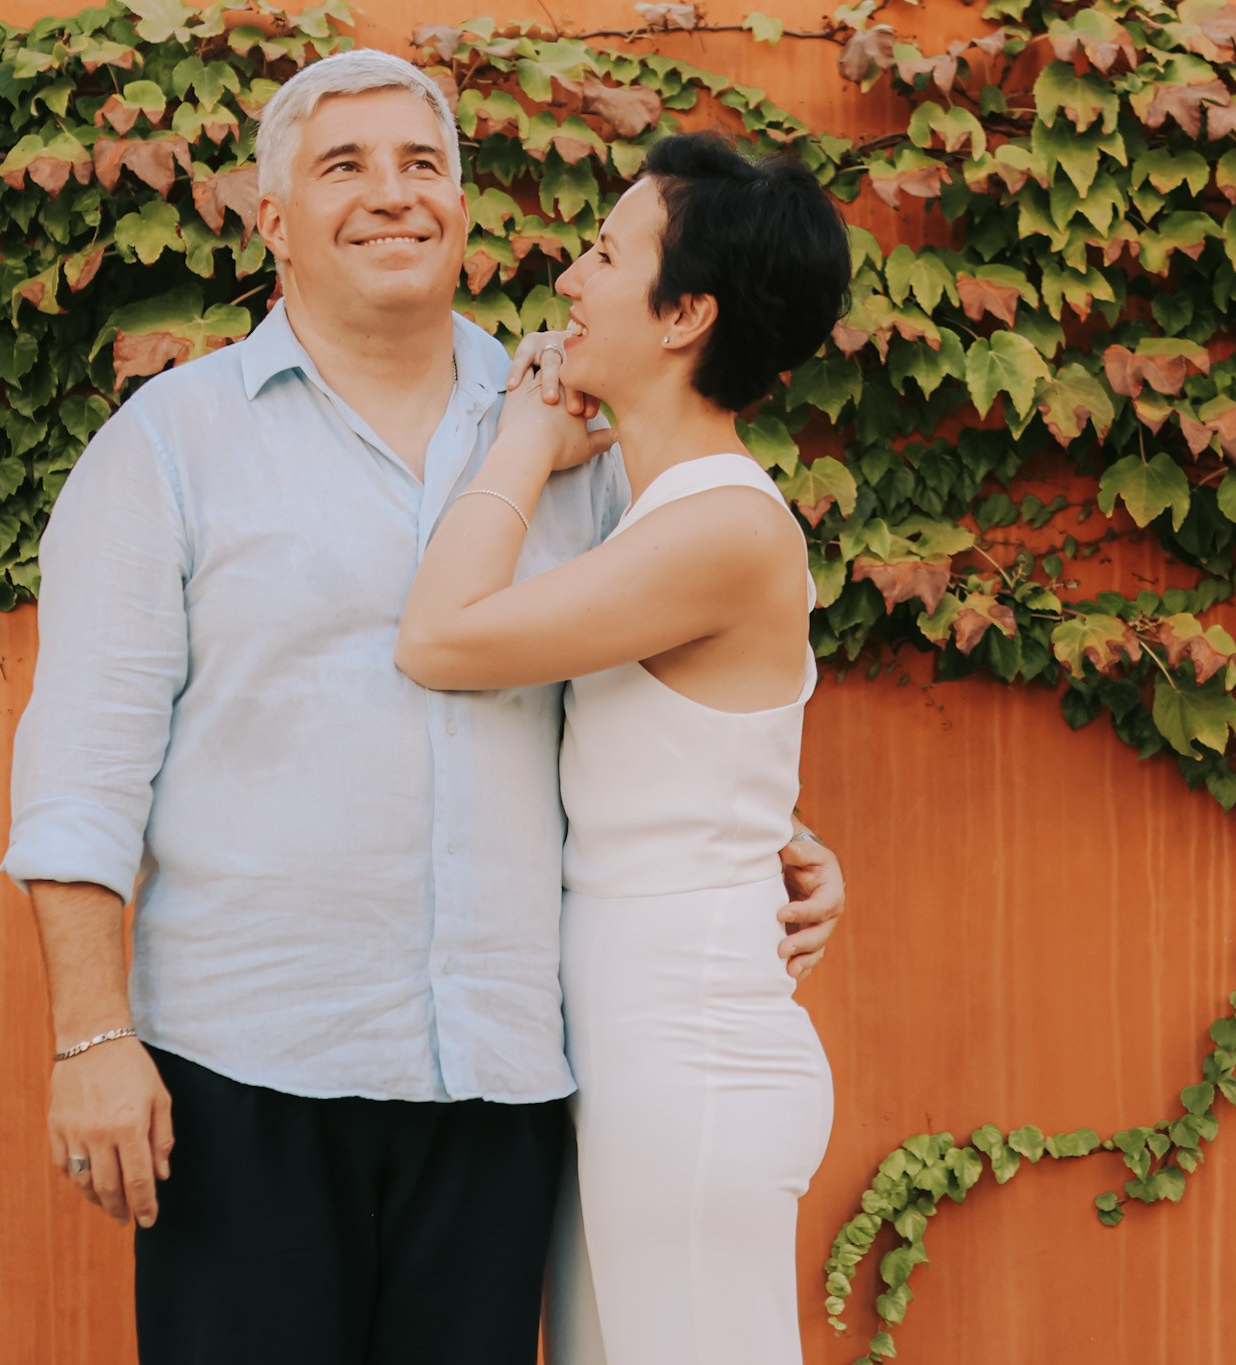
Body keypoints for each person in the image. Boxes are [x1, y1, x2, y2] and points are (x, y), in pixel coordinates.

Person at [0, 51, 846, 1365]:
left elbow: (665, 691)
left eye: (423, 164)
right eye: (345, 166)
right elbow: (81, 771)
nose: (392, 195)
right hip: (247, 1078)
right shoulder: (169, 447)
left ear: (462, 204)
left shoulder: (584, 446)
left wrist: (769, 844)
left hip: (505, 1088)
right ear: (272, 219)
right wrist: (91, 1035)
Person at [394, 131, 854, 1365]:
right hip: (626, 1039)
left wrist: (521, 442)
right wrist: (791, 840)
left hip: (686, 1048)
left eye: (603, 252)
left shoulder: (721, 527)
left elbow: (439, 639)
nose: (570, 280)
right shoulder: (665, 514)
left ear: (682, 313)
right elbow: (684, 766)